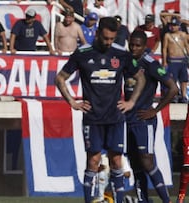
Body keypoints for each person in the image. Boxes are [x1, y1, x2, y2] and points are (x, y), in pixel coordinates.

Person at [55, 17, 145, 203]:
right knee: (94, 161)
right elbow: (60, 78)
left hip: (115, 117)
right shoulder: (82, 53)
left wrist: (131, 102)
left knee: (116, 161)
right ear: (97, 34)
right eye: (105, 38)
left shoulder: (121, 54)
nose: (108, 42)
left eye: (112, 39)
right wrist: (72, 101)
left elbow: (141, 79)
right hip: (93, 117)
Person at [125, 30, 178, 203]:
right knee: (134, 162)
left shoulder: (150, 64)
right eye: (131, 44)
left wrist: (155, 110)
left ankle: (166, 200)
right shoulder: (126, 61)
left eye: (137, 45)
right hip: (129, 118)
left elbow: (173, 88)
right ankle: (143, 200)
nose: (133, 48)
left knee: (147, 161)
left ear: (144, 46)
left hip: (144, 119)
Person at [162, 17, 189, 103]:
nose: (173, 27)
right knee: (172, 79)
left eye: (175, 25)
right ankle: (173, 96)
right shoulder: (167, 35)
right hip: (172, 60)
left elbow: (187, 46)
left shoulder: (183, 35)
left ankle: (183, 96)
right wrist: (164, 61)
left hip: (182, 60)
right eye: (172, 25)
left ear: (178, 26)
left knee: (184, 80)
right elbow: (164, 48)